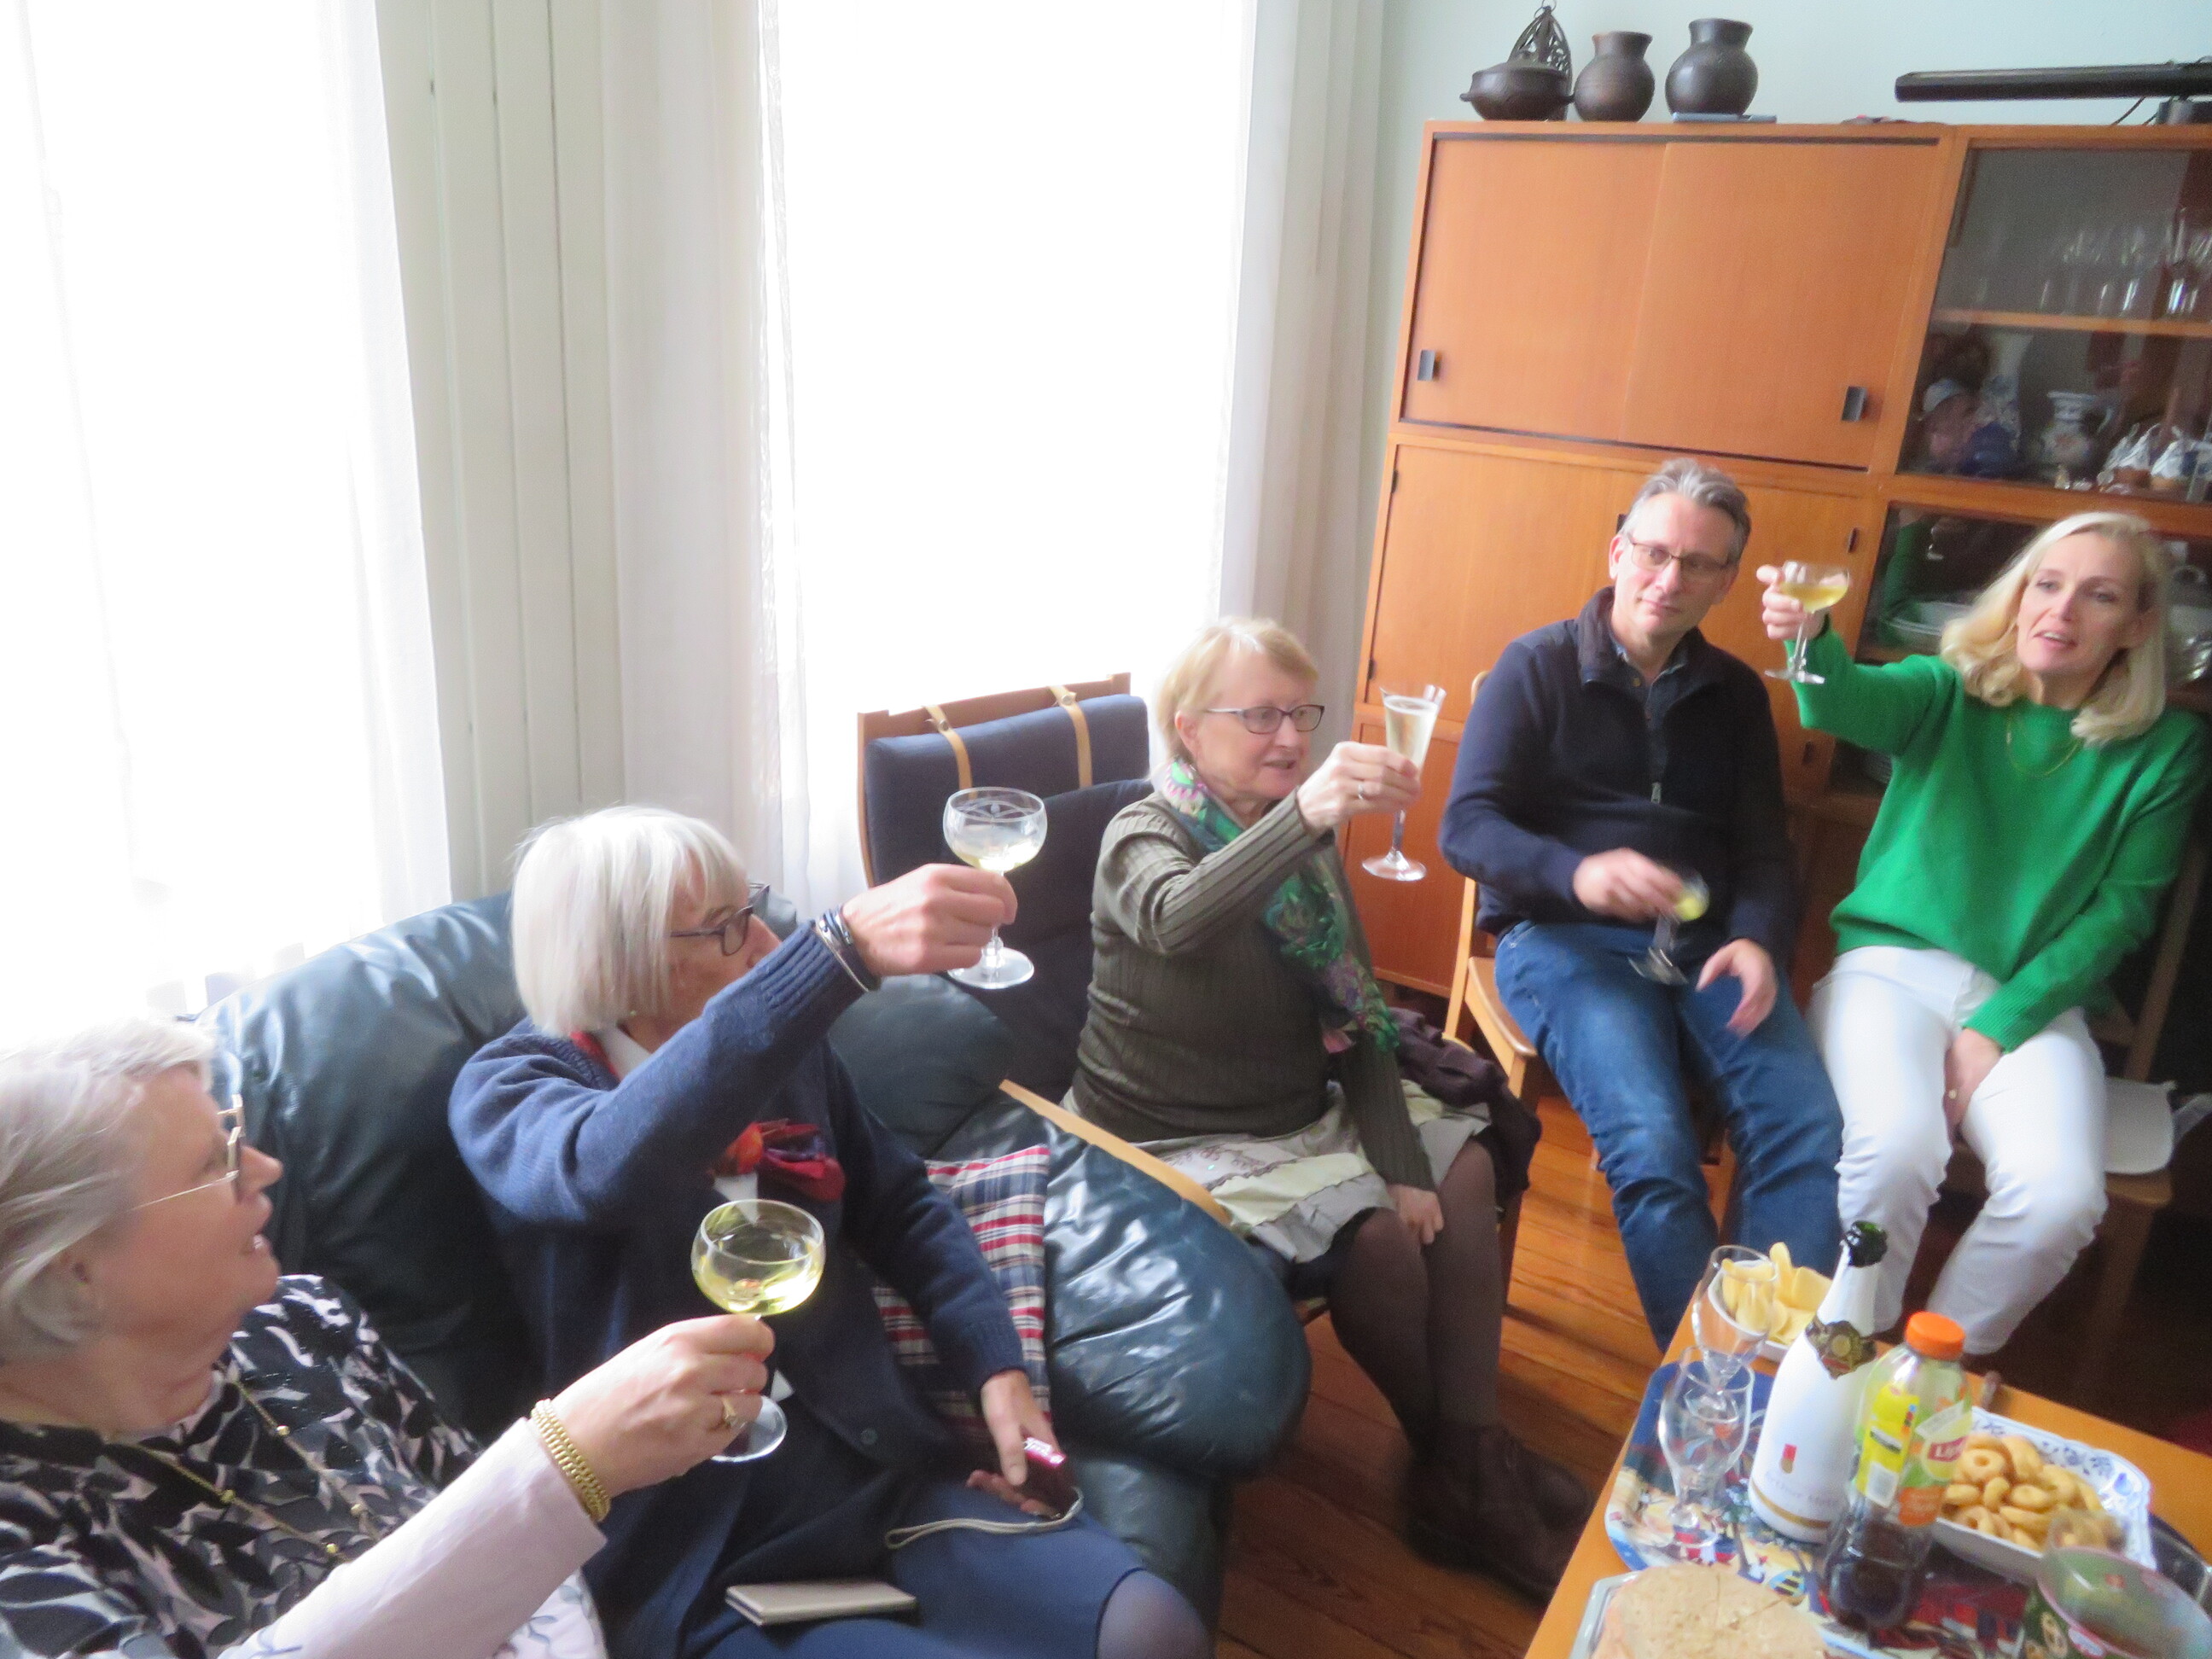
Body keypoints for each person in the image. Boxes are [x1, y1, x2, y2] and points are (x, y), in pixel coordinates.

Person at [450, 807, 1208, 1659]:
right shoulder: (509, 1090)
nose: (767, 947)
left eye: (753, 908)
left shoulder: (786, 1056)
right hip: (705, 1557)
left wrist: (997, 1372)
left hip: (878, 1482)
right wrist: (835, 954)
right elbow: (603, 1167)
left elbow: (902, 1204)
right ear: (618, 964)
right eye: (728, 928)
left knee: (1153, 1632)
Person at [1068, 618, 1589, 1599]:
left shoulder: (1299, 845)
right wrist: (1304, 816)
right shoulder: (1142, 834)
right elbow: (1178, 918)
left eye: (1299, 714)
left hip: (1294, 1109)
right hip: (1170, 1136)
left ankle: (1471, 1454)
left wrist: (1398, 1154)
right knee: (1378, 1240)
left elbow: (1359, 1013)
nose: (1288, 737)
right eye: (1259, 715)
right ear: (1189, 729)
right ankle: (1468, 1472)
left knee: (1461, 1168)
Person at [0, 1016, 768, 1658]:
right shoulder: (20, 1526)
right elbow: (513, 1515)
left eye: (234, 1132)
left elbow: (498, 1534)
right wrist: (559, 1467)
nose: (264, 1168)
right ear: (74, 1267)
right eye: (215, 1161)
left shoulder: (304, 1322)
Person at [1761, 511, 2209, 1359]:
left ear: (2137, 625)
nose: (2062, 609)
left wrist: (1995, 1028)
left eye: (2099, 595)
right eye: (2048, 583)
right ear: (2018, 594)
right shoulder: (1948, 689)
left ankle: (1927, 1368)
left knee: (2060, 1201)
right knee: (1895, 1152)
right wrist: (1811, 640)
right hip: (1889, 970)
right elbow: (1843, 704)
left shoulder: (2168, 749)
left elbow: (2122, 912)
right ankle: (1846, 1348)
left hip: (2032, 997)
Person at [1439, 457, 1845, 1347]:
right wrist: (1576, 873)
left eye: (1697, 564)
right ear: (1619, 551)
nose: (1669, 579)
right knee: (1655, 1150)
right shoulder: (1534, 666)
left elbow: (1763, 849)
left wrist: (1759, 939)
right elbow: (1465, 827)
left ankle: (1763, 1364)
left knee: (1807, 1133)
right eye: (1655, 553)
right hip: (1564, 940)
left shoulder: (1735, 693)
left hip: (1707, 946)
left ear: (1727, 581)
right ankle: (1711, 1377)